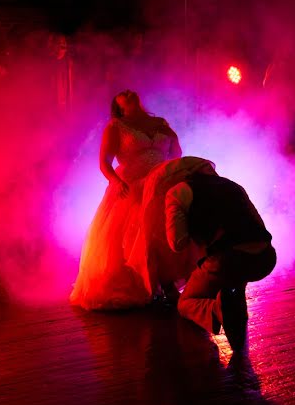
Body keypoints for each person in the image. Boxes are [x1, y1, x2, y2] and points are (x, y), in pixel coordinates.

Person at [70, 90, 205, 310]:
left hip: (160, 182)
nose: (127, 92)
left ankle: (167, 283)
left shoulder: (159, 122)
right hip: (132, 186)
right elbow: (104, 162)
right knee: (138, 234)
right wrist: (116, 181)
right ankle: (142, 284)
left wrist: (169, 169)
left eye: (130, 91)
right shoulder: (116, 126)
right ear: (119, 105)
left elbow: (176, 152)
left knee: (165, 230)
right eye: (121, 94)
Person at [164, 164, 276, 348]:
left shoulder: (177, 192)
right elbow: (259, 225)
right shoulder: (233, 185)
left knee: (186, 302)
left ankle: (216, 310)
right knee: (235, 281)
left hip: (227, 260)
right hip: (265, 257)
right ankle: (238, 337)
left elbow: (177, 243)